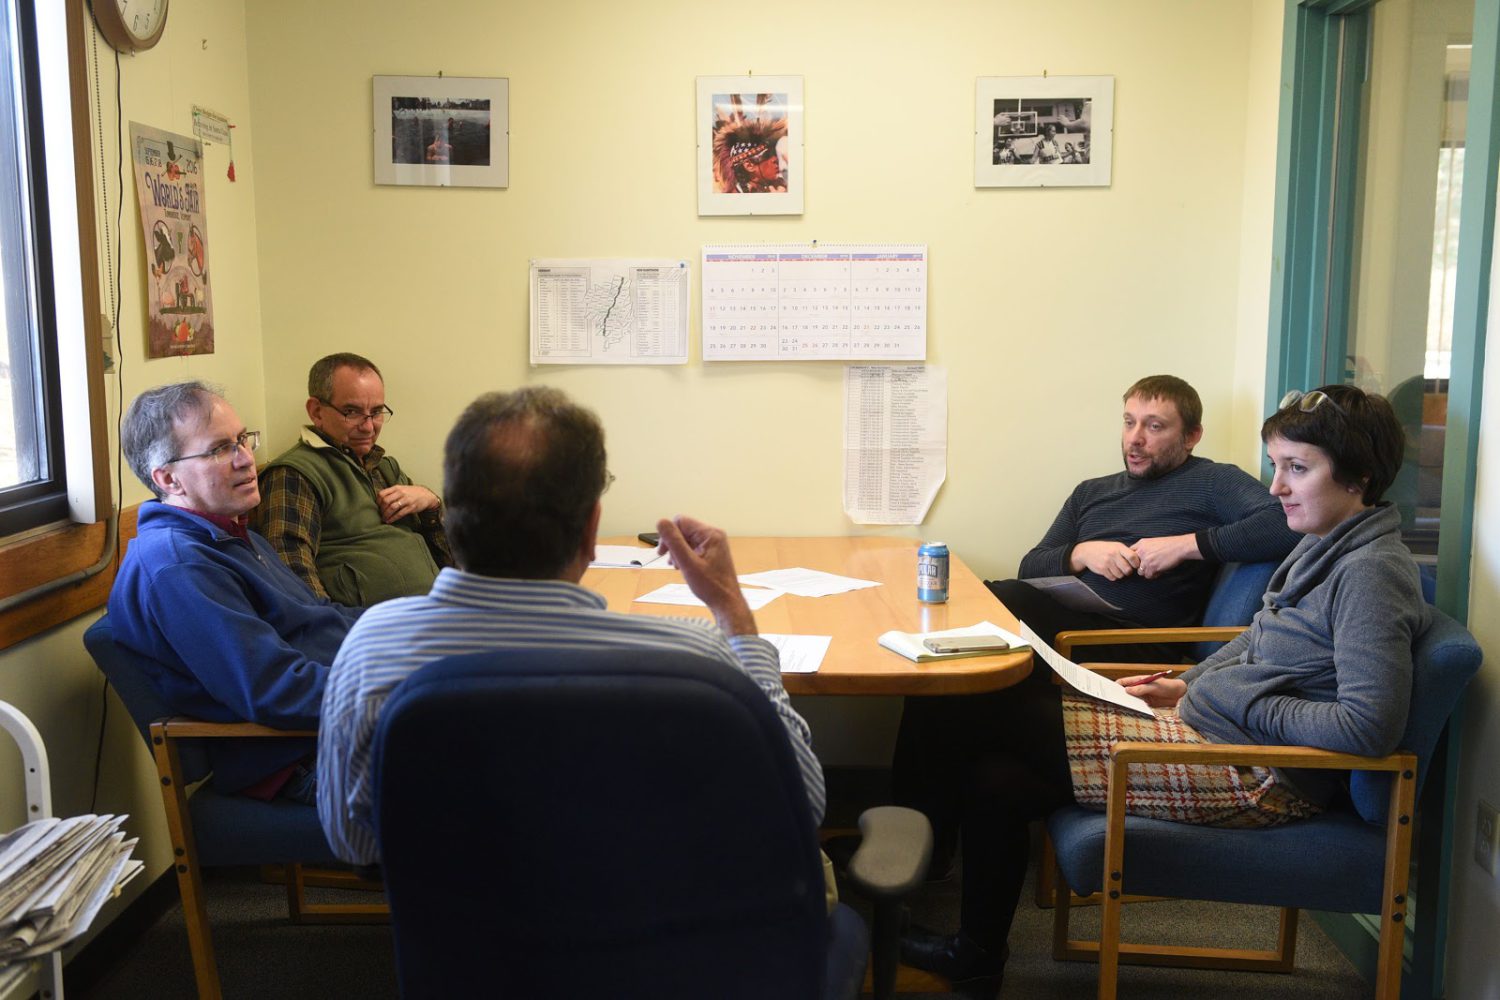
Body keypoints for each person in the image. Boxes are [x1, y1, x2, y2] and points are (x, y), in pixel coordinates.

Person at [898, 384, 1429, 999]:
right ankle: (975, 956)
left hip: (1260, 776)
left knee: (976, 705)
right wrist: (1187, 683)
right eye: (1278, 466)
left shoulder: (1371, 573)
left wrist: (1231, 701)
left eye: (1297, 469)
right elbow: (1255, 643)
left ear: (1359, 477)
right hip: (1215, 730)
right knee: (994, 777)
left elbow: (1368, 727)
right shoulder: (1324, 545)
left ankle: (895, 865)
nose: (1277, 487)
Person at [317, 386, 825, 867]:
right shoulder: (695, 661)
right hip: (650, 947)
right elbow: (800, 804)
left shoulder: (372, 647)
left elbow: (351, 840)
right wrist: (734, 612)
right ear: (591, 527)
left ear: (450, 516)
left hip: (463, 952)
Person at [893, 376, 1301, 871]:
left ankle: (915, 844)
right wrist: (1081, 554)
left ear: (1191, 436)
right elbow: (1034, 562)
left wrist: (1185, 545)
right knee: (953, 668)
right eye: (1130, 423)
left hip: (1130, 646)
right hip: (1069, 623)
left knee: (989, 617)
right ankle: (923, 841)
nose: (1136, 438)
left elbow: (1282, 523)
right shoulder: (1092, 493)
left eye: (1155, 427)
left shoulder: (1213, 481)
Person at [108, 381, 361, 801]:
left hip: (332, 721)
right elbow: (276, 690)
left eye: (243, 440)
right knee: (486, 759)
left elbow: (320, 615)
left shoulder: (230, 529)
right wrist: (396, 686)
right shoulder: (178, 566)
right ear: (168, 478)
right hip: (301, 755)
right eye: (219, 449)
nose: (247, 460)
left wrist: (411, 631)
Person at [251, 353, 451, 608]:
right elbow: (292, 576)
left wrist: (432, 503)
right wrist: (336, 634)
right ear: (316, 411)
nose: (369, 427)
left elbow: (450, 560)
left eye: (376, 412)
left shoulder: (384, 467)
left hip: (441, 615)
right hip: (373, 636)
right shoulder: (294, 474)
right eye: (352, 412)